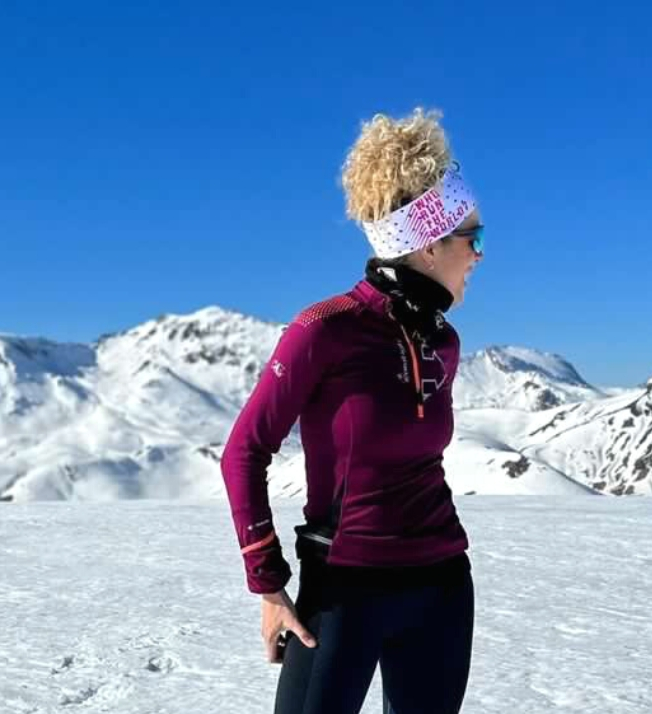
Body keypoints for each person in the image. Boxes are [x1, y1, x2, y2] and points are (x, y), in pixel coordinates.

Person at [220, 108, 484, 714]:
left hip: (442, 587)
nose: (480, 255)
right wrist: (268, 583)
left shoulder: (442, 340)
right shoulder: (324, 330)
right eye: (475, 238)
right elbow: (244, 452)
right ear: (429, 243)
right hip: (342, 592)